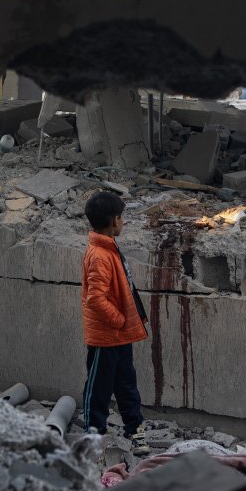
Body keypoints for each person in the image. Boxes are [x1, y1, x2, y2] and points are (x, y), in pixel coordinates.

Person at [80, 191, 151, 456]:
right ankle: (93, 434)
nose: (123, 222)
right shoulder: (99, 254)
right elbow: (95, 298)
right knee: (98, 388)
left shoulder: (108, 246)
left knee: (126, 384)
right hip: (106, 336)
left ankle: (135, 429)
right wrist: (119, 320)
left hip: (120, 336)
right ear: (114, 220)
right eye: (122, 217)